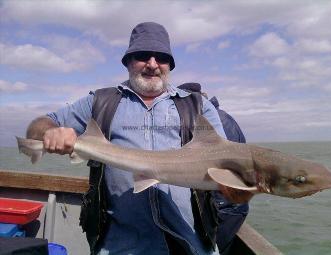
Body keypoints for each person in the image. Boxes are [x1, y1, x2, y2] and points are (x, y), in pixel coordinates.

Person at [26, 22, 252, 255]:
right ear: (128, 62)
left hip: (190, 245)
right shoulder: (101, 102)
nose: (153, 64)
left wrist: (238, 189)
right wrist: (49, 132)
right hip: (118, 247)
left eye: (162, 58)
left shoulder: (197, 106)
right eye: (143, 56)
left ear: (170, 65)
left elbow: (226, 161)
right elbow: (38, 125)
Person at [177, 83, 249, 254]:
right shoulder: (223, 116)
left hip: (224, 204)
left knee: (213, 247)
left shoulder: (211, 121)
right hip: (229, 202)